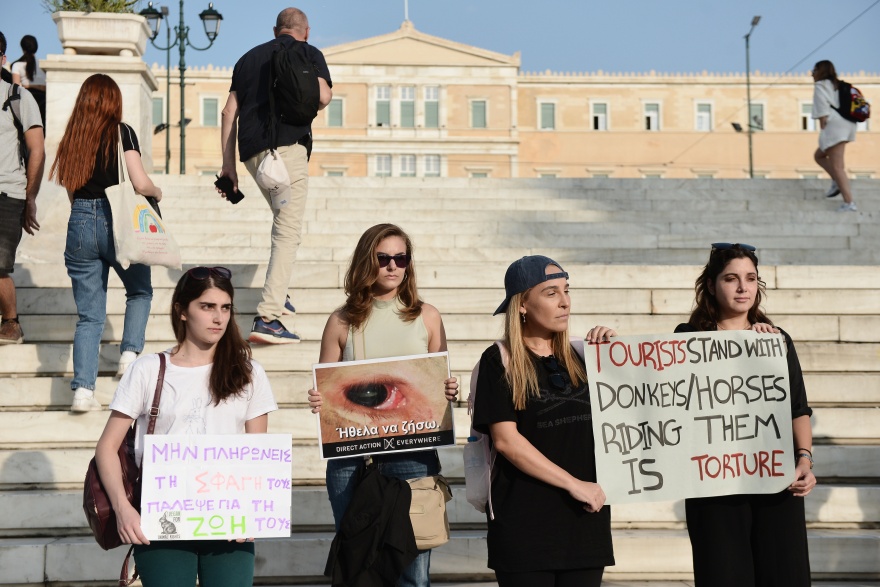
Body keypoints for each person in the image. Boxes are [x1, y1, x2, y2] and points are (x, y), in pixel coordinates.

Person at [95, 266, 278, 587]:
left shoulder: (250, 373)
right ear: (181, 311)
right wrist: (124, 510)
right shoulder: (148, 369)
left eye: (225, 307)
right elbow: (107, 447)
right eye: (207, 307)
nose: (218, 317)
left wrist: (252, 510)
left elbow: (257, 452)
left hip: (230, 522)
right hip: (160, 521)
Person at [307, 223, 459, 587]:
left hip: (413, 450)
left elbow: (437, 380)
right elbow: (327, 386)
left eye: (401, 258)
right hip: (352, 454)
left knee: (413, 572)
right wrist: (319, 398)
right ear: (367, 261)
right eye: (383, 258)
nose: (393, 266)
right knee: (359, 565)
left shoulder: (427, 316)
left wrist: (450, 389)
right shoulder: (341, 320)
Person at [676, 242, 815, 587]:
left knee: (784, 575)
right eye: (731, 279)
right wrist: (606, 345)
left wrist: (805, 460)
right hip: (714, 486)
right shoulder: (685, 339)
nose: (743, 288)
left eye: (751, 279)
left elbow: (797, 408)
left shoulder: (776, 340)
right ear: (711, 285)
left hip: (774, 478)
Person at [471, 255, 615, 587]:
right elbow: (507, 442)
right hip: (525, 528)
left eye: (566, 291)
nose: (565, 302)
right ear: (521, 304)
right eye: (551, 293)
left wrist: (617, 355)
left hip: (585, 525)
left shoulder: (584, 356)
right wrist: (574, 484)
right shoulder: (498, 360)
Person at [50, 74, 163, 412]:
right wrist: (158, 192)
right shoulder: (121, 131)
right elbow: (140, 182)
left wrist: (87, 215)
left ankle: (83, 392)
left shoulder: (74, 136)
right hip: (119, 220)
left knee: (89, 316)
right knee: (140, 290)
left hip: (81, 219)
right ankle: (129, 356)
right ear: (113, 101)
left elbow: (71, 188)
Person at [219, 7, 333, 344]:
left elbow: (228, 111)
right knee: (288, 230)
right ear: (306, 31)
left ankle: (277, 289)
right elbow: (324, 96)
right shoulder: (309, 52)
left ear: (275, 30)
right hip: (288, 152)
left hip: (255, 156)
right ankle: (269, 317)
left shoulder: (247, 59)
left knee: (283, 222)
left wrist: (228, 165)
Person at [0, 30, 44, 345]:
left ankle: (11, 323)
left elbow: (37, 149)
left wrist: (30, 197)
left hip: (7, 194)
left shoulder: (16, 97)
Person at [811, 60, 858, 212]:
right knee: (819, 155)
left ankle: (849, 203)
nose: (812, 72)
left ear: (820, 71)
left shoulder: (821, 86)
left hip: (835, 126)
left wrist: (823, 129)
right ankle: (836, 181)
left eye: (814, 69)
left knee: (838, 167)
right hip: (848, 124)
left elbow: (822, 112)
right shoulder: (839, 85)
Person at [11, 35, 46, 131]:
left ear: (22, 48)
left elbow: (16, 88)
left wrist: (26, 86)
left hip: (27, 101)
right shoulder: (44, 65)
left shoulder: (17, 65)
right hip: (44, 102)